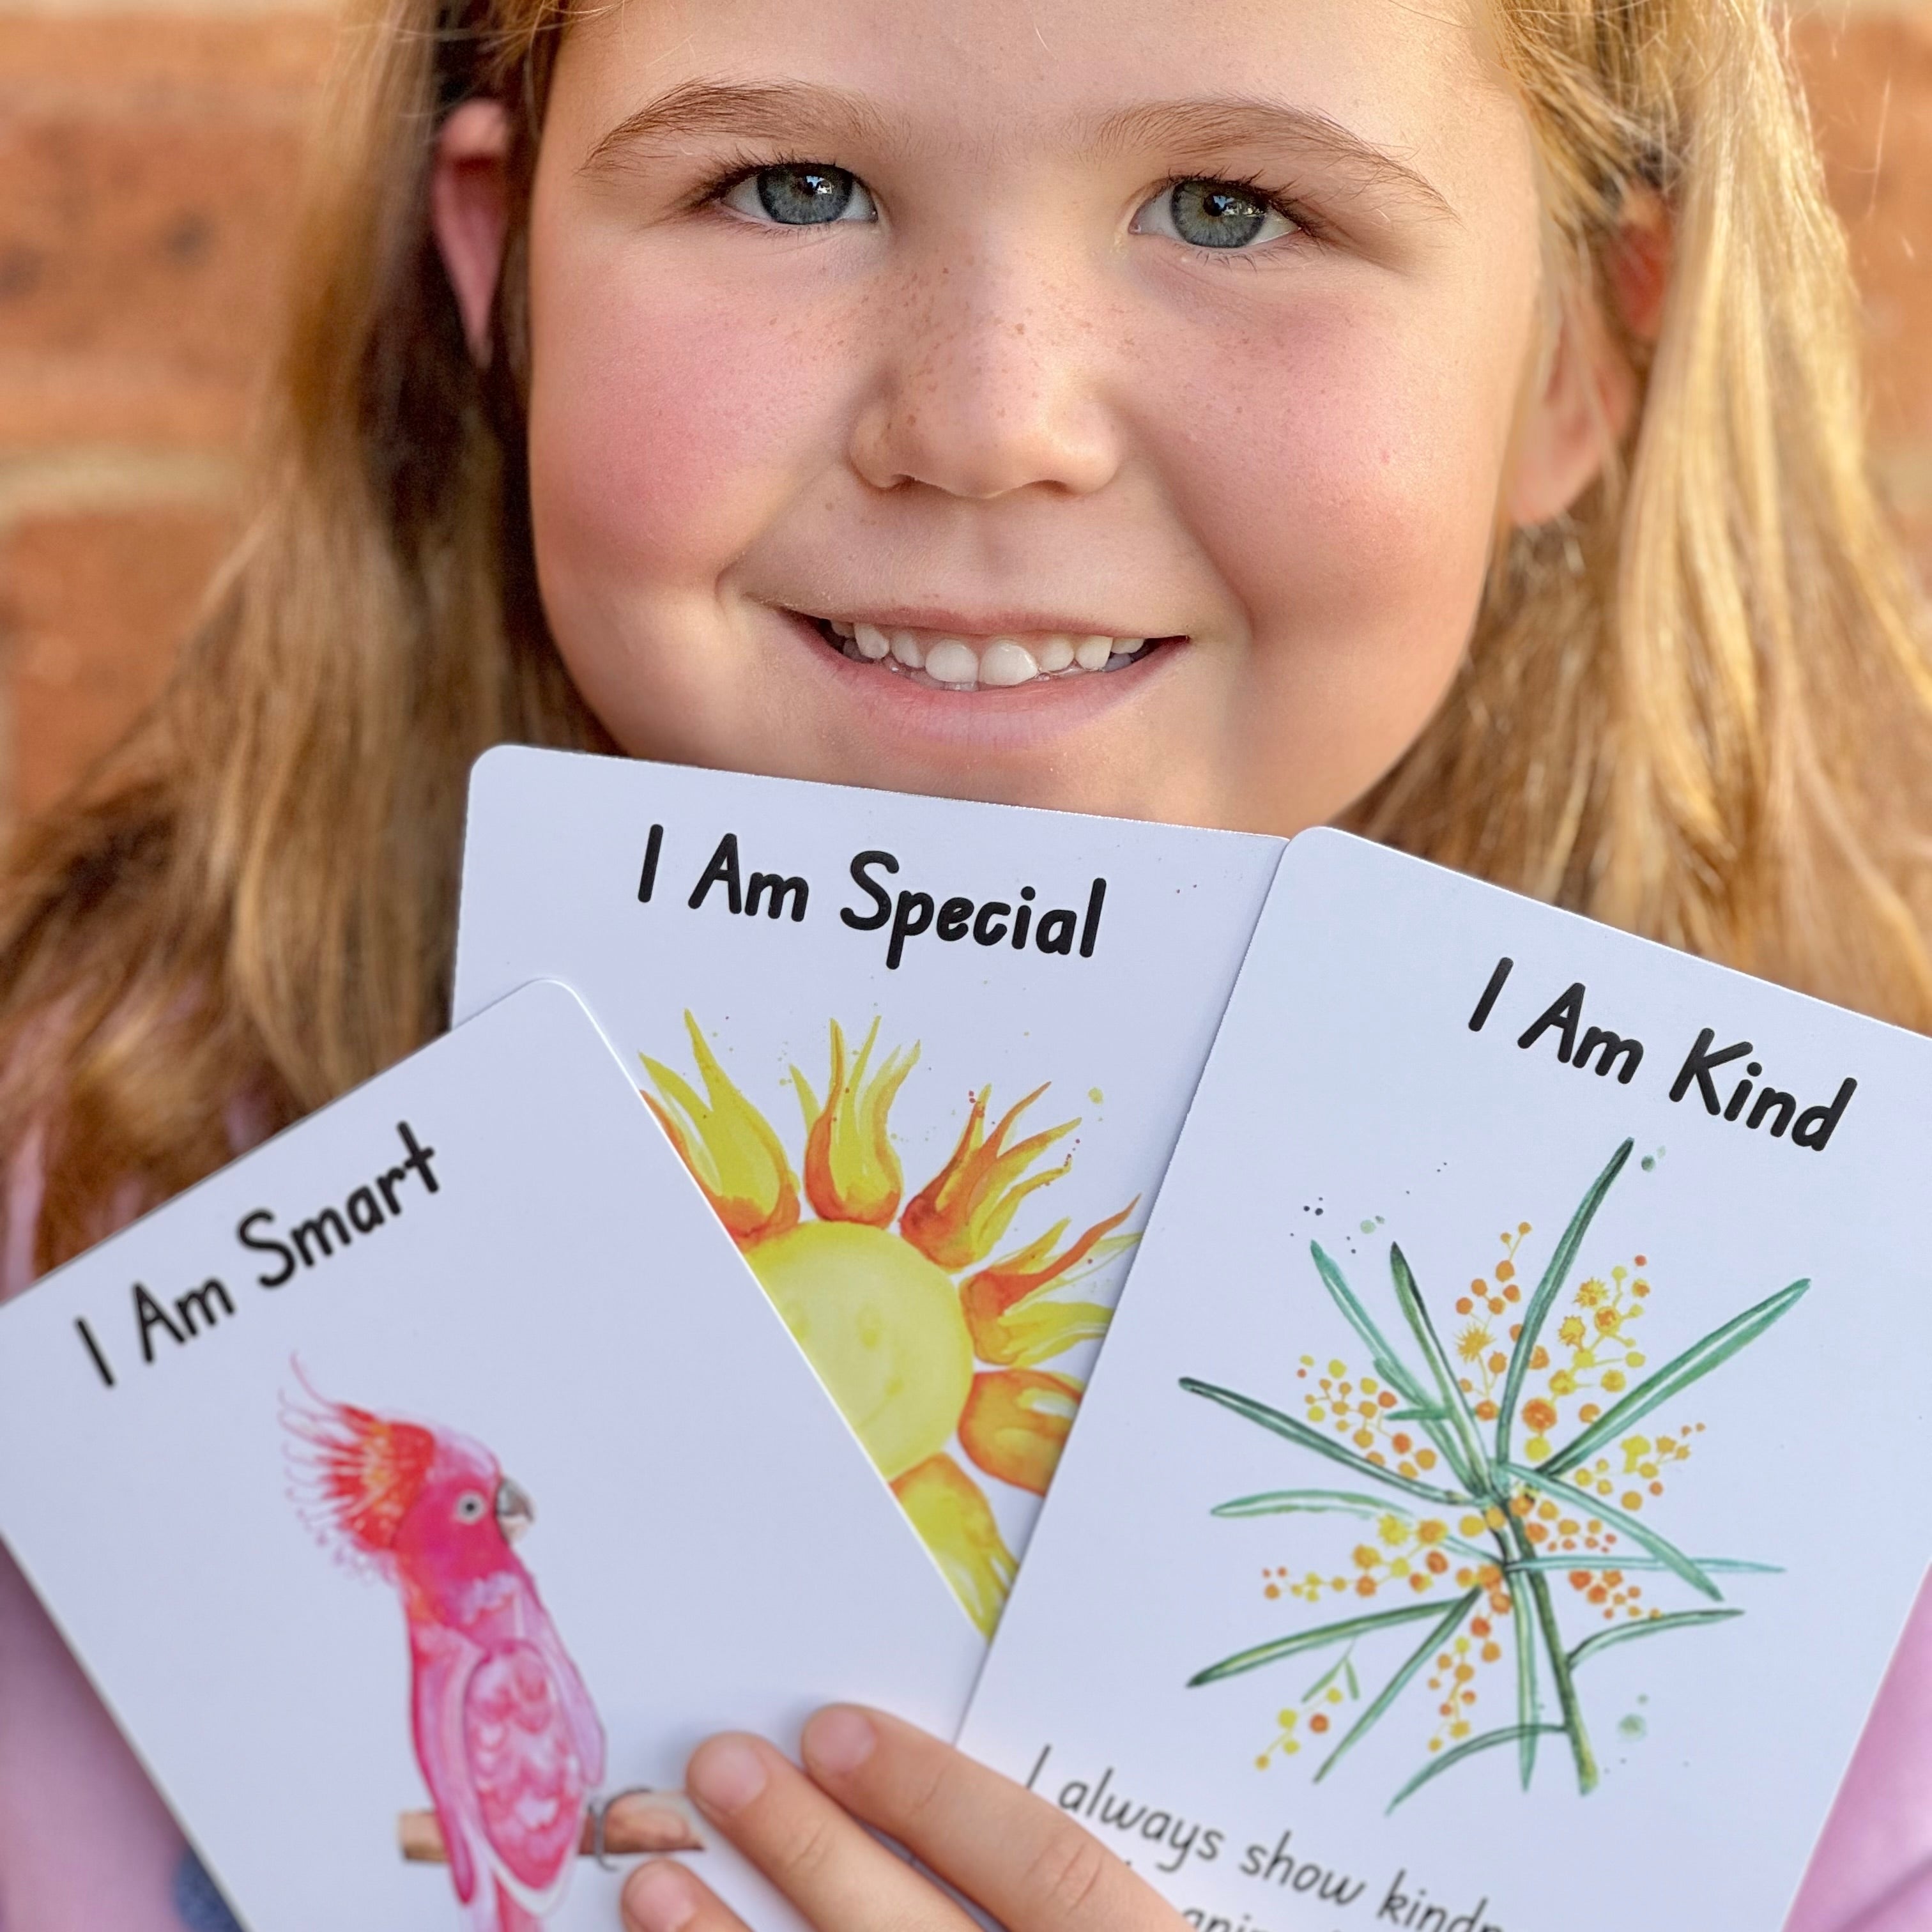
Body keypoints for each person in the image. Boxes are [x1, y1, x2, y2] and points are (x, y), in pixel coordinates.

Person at [0, 0, 1928, 1924]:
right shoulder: (96, 1201)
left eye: (1233, 211)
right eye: (791, 185)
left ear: (1574, 354)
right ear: (509, 280)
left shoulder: (1854, 1468)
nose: (990, 427)